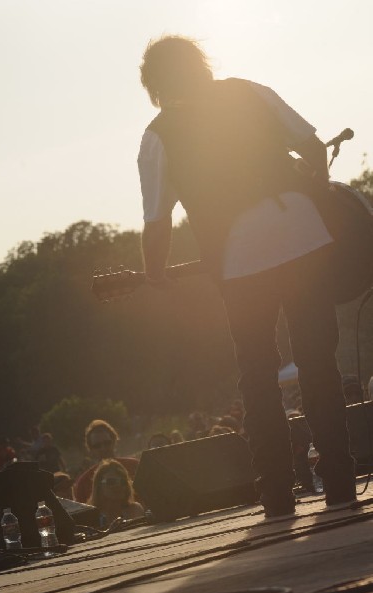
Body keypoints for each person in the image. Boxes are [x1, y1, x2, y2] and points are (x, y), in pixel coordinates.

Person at [137, 35, 356, 517]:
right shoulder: (248, 91)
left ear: (153, 84)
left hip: (240, 259)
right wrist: (313, 191)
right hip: (303, 239)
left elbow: (157, 223)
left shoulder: (159, 135)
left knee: (258, 373)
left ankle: (277, 496)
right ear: (200, 65)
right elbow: (313, 148)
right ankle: (340, 482)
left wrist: (154, 274)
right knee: (318, 361)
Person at [73, 420, 139, 504]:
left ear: (114, 441)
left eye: (107, 443)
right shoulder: (84, 482)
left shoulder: (135, 466)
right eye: (97, 446)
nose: (103, 448)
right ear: (91, 450)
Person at [88, 459, 144, 527]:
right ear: (98, 486)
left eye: (123, 482)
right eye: (111, 481)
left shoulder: (135, 510)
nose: (118, 486)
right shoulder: (90, 517)